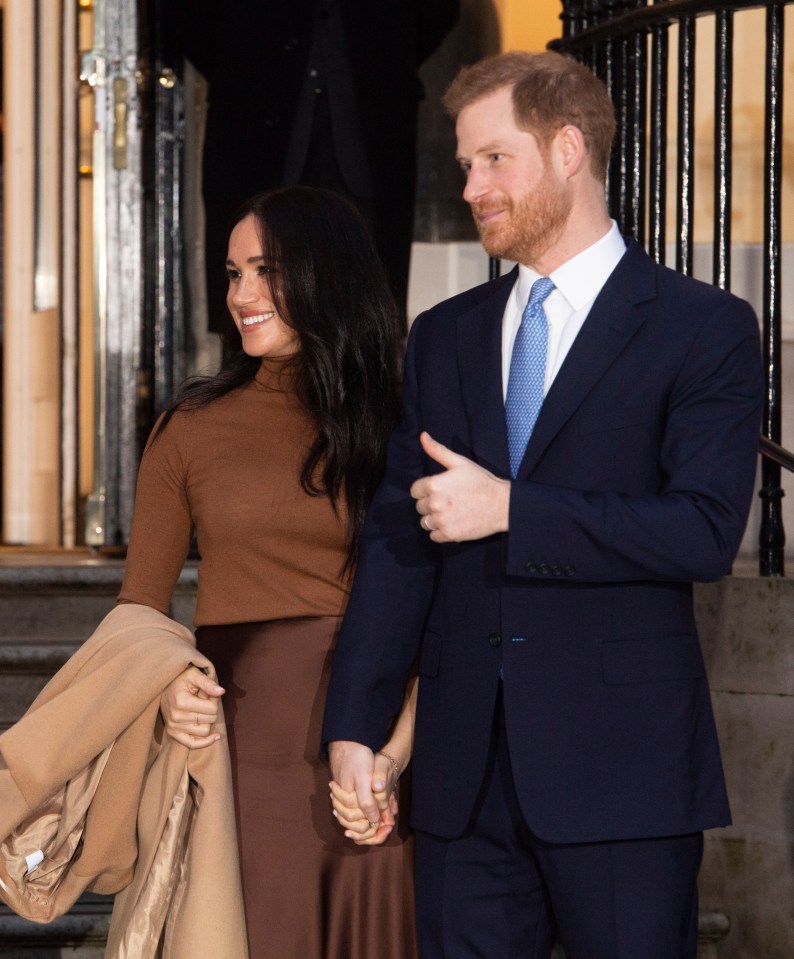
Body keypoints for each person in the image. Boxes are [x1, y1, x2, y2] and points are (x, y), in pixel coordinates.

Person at [322, 51, 764, 959]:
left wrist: (514, 509)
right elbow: (399, 544)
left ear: (568, 150)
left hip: (623, 776)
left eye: (493, 159)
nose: (471, 186)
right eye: (464, 164)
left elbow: (704, 529)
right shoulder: (444, 337)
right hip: (461, 782)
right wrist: (357, 727)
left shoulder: (700, 326)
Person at [118, 185, 418, 958]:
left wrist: (393, 753)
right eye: (232, 272)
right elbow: (138, 611)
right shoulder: (188, 428)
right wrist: (168, 681)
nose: (241, 295)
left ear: (326, 276)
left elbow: (437, 612)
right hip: (236, 745)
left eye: (265, 270)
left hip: (372, 753)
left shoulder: (398, 423)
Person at [164, 0, 459, 334]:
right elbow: (184, 15)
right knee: (250, 294)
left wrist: (383, 50)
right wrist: (240, 59)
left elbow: (439, 10)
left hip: (369, 123)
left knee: (365, 309)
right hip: (253, 123)